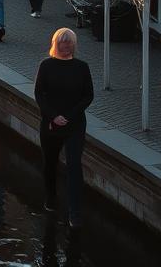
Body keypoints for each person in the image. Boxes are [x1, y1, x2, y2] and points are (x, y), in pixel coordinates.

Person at [34, 28, 94, 228]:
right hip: (51, 124)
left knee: (74, 166)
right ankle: (51, 197)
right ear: (55, 44)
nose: (66, 46)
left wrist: (68, 116)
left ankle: (74, 212)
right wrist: (53, 116)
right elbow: (39, 94)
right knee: (50, 163)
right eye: (62, 43)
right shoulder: (46, 65)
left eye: (69, 43)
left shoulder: (82, 67)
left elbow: (88, 96)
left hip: (74, 124)